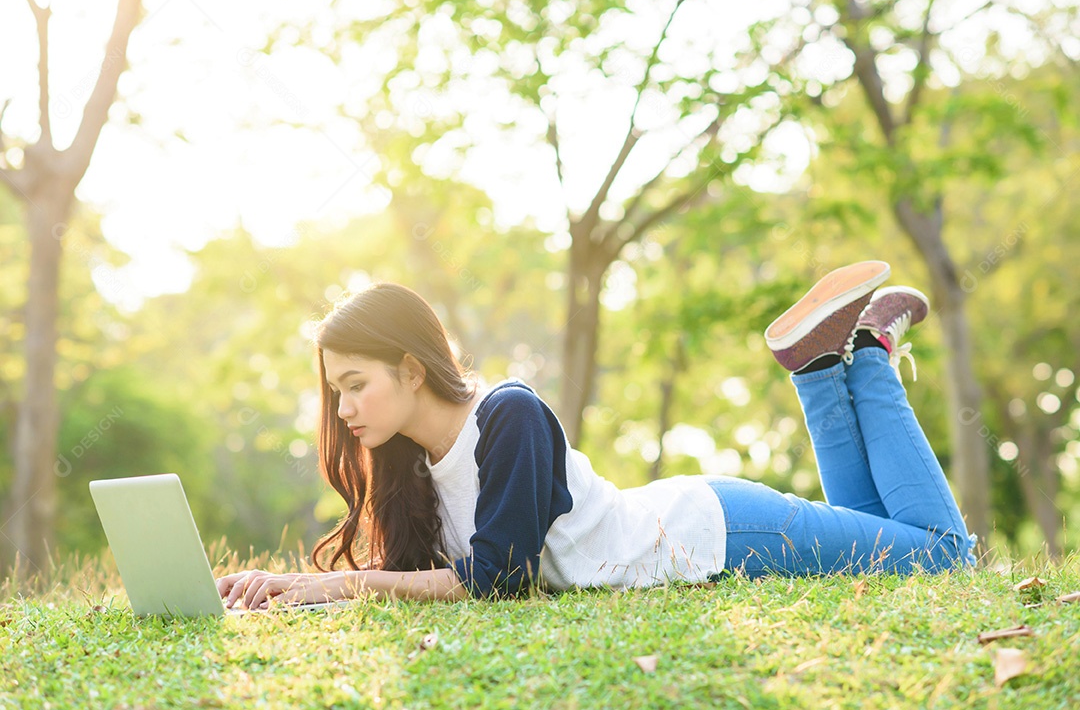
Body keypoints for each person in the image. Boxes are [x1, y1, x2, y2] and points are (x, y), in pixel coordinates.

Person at [216, 260, 976, 609]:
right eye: (335, 390)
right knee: (881, 536)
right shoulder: (410, 463)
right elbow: (418, 576)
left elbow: (497, 581)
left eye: (356, 385)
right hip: (700, 526)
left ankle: (867, 356)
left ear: (413, 371)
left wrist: (337, 582)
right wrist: (289, 587)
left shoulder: (506, 417)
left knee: (943, 556)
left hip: (713, 530)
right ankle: (816, 368)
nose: (344, 411)